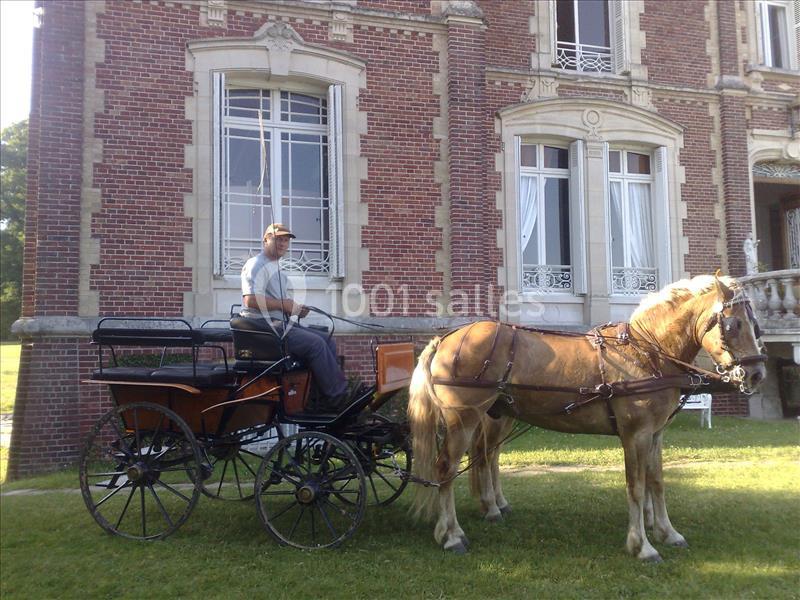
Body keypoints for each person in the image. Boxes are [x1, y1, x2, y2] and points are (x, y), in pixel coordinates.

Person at [241, 223, 350, 411]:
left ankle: (318, 399)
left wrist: (296, 309)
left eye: (286, 240)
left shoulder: (277, 269)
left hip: (279, 323)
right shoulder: (256, 264)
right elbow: (250, 300)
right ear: (266, 240)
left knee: (327, 341)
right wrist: (284, 305)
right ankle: (338, 397)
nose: (283, 243)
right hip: (263, 327)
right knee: (315, 344)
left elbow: (279, 302)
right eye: (278, 239)